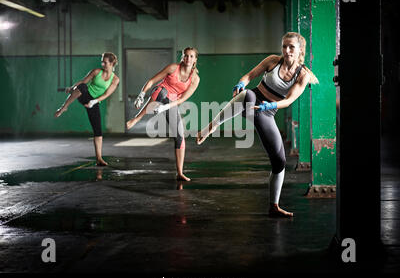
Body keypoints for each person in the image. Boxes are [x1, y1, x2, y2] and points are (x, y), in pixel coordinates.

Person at [196, 32, 319, 217]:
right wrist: (240, 82)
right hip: (250, 102)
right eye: (284, 46)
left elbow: (289, 100)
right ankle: (212, 126)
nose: (286, 50)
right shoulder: (272, 61)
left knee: (280, 162)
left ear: (300, 49)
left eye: (291, 47)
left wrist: (271, 105)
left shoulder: (303, 75)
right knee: (248, 94)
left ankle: (274, 206)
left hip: (267, 112)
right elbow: (249, 75)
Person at [126, 47, 200, 182]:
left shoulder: (195, 79)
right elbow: (151, 81)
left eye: (191, 56)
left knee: (180, 136)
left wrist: (164, 107)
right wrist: (141, 94)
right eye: (186, 56)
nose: (188, 59)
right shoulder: (173, 68)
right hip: (159, 92)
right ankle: (137, 118)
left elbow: (181, 99)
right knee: (162, 92)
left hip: (171, 103)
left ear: (195, 59)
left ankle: (180, 172)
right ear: (182, 57)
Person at [54, 52, 120, 166]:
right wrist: (72, 87)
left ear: (112, 63)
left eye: (105, 62)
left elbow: (106, 94)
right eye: (102, 61)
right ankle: (64, 107)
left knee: (98, 131)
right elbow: (82, 82)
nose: (102, 64)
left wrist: (94, 102)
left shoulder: (115, 80)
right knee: (83, 87)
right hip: (84, 95)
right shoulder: (96, 72)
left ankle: (99, 158)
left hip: (94, 102)